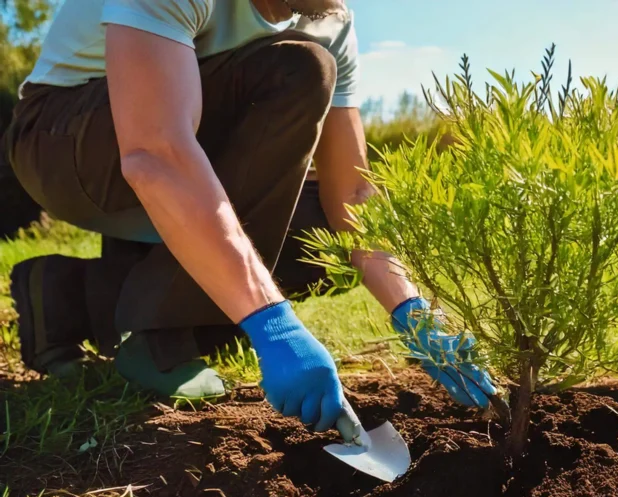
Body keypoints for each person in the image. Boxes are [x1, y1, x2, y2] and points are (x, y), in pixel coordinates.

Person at [0, 0, 498, 444]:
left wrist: (410, 309)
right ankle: (161, 341)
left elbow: (352, 196)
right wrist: (273, 325)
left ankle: (67, 294)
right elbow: (158, 153)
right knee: (299, 67)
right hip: (66, 141)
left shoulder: (332, 19)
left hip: (181, 153)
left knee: (315, 235)